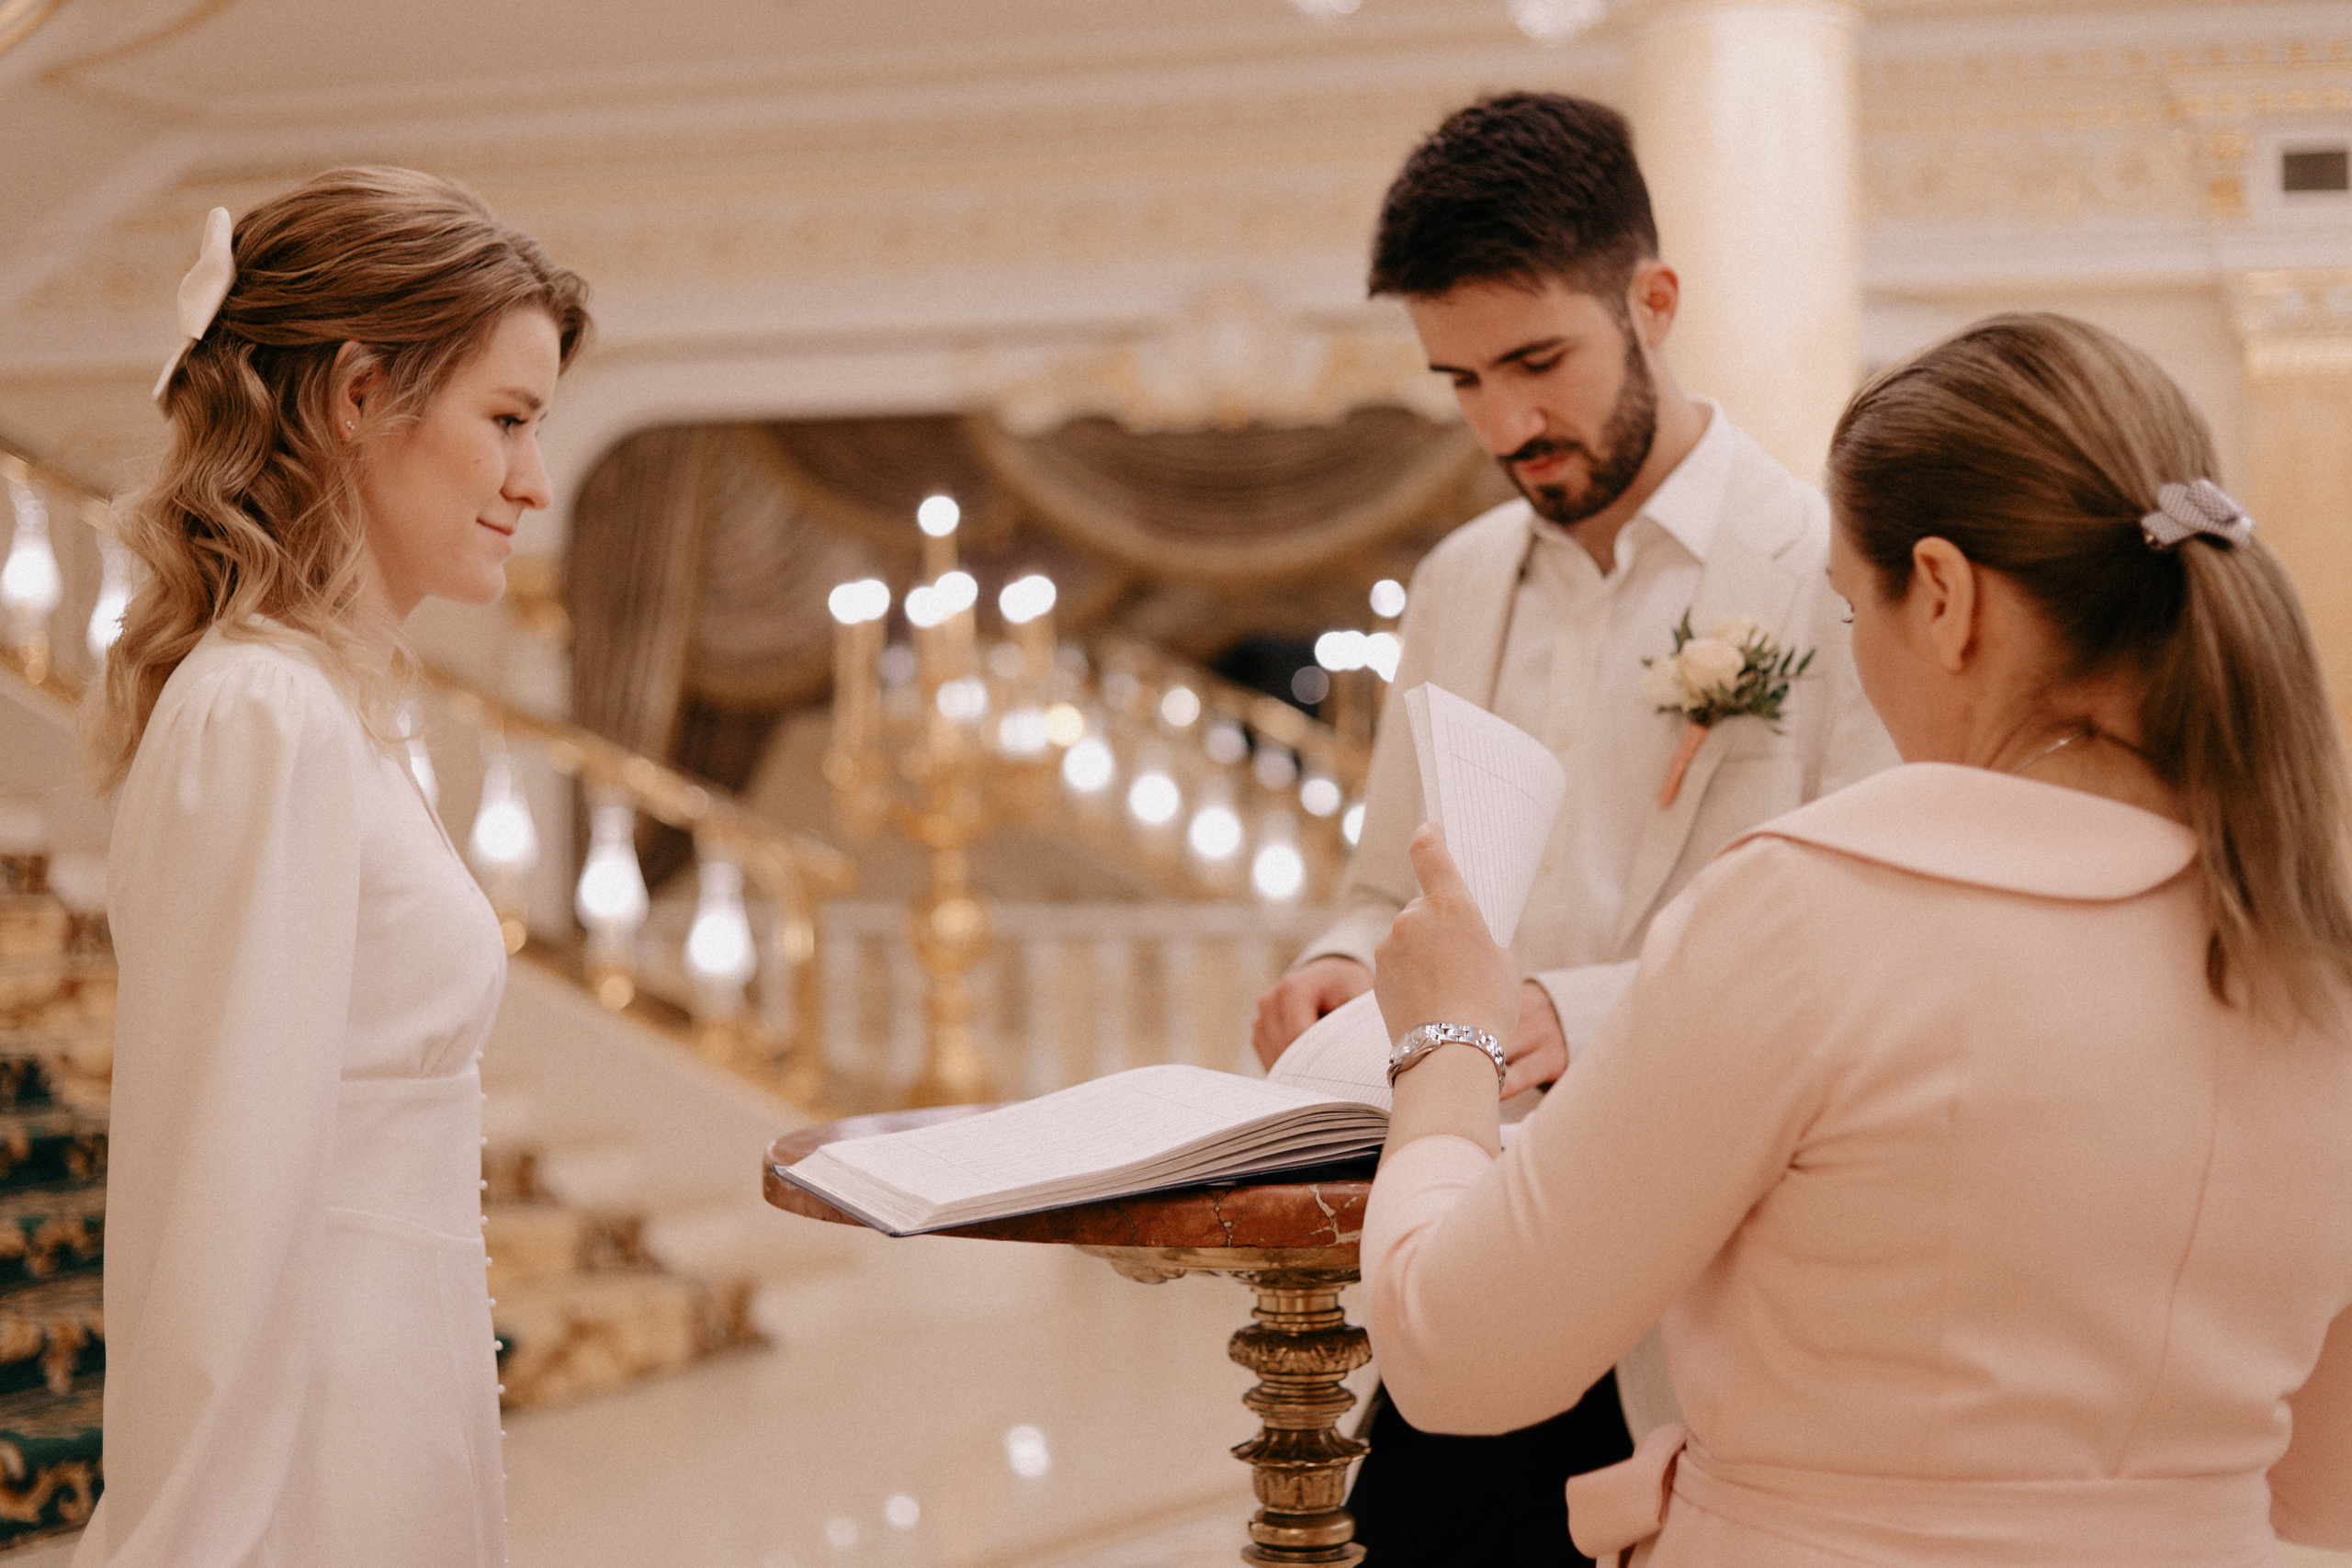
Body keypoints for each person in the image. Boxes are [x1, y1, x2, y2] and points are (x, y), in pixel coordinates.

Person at [1361, 312, 2352, 1566]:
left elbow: (1459, 1355)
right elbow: (2321, 1490)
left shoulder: (1807, 912)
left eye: (1847, 610)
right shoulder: (2313, 934)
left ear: (1943, 595)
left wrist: (1450, 1036)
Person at [1248, 93, 1894, 1562]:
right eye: (1460, 381)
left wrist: (1556, 1014)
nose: (1504, 426)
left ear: (1652, 303)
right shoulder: (1459, 581)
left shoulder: (1819, 566)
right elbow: (1384, 880)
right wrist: (1345, 962)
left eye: (1538, 364)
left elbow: (1857, 937)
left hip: (1705, 1273)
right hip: (1474, 1243)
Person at [77, 167, 590, 1568]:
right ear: (359, 396)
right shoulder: (263, 712)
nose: (534, 481)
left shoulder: (328, 708)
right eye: (507, 420)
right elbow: (217, 1194)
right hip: (311, 1454)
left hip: (391, 1390)